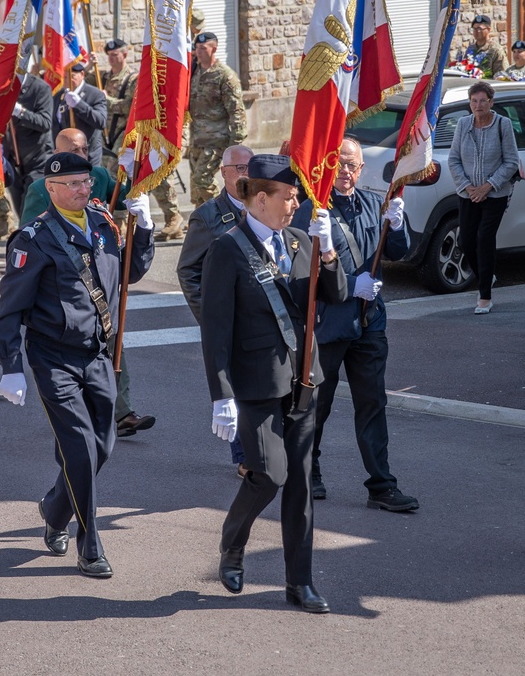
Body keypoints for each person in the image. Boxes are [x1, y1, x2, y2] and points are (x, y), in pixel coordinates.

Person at [0, 152, 155, 578]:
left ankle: (54, 507)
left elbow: (129, 274)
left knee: (101, 448)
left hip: (98, 354)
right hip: (54, 357)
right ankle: (90, 546)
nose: (84, 190)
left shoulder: (103, 223)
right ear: (51, 189)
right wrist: (10, 365)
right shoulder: (33, 238)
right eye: (73, 184)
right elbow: (10, 308)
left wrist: (146, 229)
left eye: (86, 182)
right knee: (81, 447)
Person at [199, 154, 346, 613]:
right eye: (289, 196)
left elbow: (335, 295)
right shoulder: (227, 249)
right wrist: (222, 395)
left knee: (300, 484)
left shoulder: (302, 241)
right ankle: (233, 544)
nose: (296, 203)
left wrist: (328, 252)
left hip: (304, 380)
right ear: (261, 199)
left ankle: (298, 582)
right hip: (256, 385)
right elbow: (216, 329)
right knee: (268, 476)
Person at [291, 138, 419, 511]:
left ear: (362, 170)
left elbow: (398, 252)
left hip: (369, 322)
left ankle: (381, 485)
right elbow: (302, 273)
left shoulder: (369, 203)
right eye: (341, 164)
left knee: (372, 404)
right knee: (319, 405)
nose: (347, 172)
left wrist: (396, 225)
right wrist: (350, 289)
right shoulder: (312, 211)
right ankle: (309, 471)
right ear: (331, 166)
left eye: (354, 166)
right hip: (329, 324)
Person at [20, 130, 155, 438]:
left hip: (101, 278)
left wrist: (135, 176)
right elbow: (31, 231)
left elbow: (127, 199)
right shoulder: (43, 187)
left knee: (112, 343)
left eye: (84, 148)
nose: (82, 155)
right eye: (74, 150)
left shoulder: (98, 175)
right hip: (66, 284)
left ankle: (121, 413)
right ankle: (87, 414)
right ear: (57, 152)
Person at [176, 144, 254, 473]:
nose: (246, 174)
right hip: (229, 319)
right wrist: (208, 316)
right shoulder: (208, 216)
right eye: (239, 168)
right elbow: (188, 271)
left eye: (251, 167)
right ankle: (246, 458)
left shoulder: (264, 206)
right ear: (223, 172)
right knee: (236, 385)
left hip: (262, 318)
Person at [447, 81, 520, 314]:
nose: (478, 105)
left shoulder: (503, 124)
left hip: (495, 193)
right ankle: (487, 277)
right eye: (474, 101)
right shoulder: (462, 124)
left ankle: (485, 296)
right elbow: (453, 160)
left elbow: (511, 161)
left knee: (484, 239)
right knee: (466, 241)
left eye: (482, 101)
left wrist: (487, 186)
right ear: (470, 103)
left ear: (491, 102)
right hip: (468, 194)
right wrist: (469, 187)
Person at [101, 39, 184, 240]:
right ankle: (119, 221)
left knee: (153, 177)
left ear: (125, 55)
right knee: (115, 179)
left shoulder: (133, 78)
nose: (112, 58)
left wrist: (106, 100)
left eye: (116, 54)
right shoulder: (103, 76)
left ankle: (173, 217)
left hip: (130, 133)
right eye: (109, 55)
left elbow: (131, 107)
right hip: (108, 135)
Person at [186, 32, 247, 208]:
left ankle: (225, 211)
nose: (199, 52)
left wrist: (234, 147)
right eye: (197, 48)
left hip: (216, 141)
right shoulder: (195, 72)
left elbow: (237, 113)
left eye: (203, 48)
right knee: (196, 189)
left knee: (202, 180)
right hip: (196, 140)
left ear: (214, 48)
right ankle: (204, 225)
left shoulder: (225, 76)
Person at [1, 72, 55, 223]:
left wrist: (20, 112)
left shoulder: (40, 88)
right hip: (12, 161)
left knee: (29, 210)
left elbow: (45, 123)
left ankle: (25, 243)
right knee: (20, 210)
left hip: (38, 159)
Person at [52, 62, 107, 169]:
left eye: (72, 76)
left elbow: (101, 121)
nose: (68, 80)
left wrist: (79, 105)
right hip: (66, 156)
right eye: (65, 77)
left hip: (88, 154)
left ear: (82, 74)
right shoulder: (59, 96)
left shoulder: (95, 94)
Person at [457, 14, 508, 79]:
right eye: (474, 29)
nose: (477, 31)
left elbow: (502, 75)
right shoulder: (470, 49)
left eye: (480, 29)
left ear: (488, 29)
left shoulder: (496, 50)